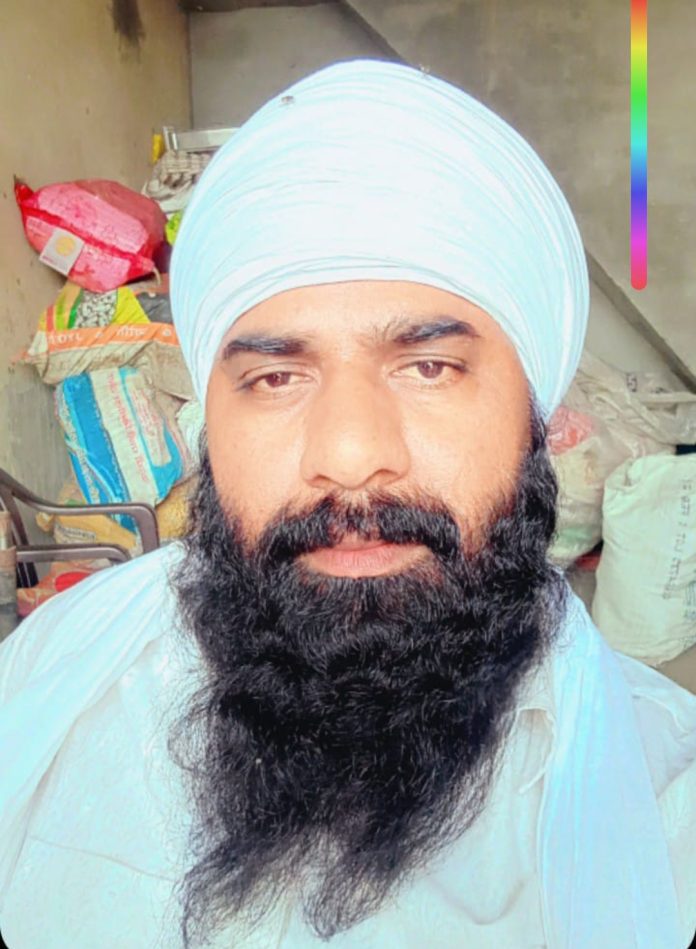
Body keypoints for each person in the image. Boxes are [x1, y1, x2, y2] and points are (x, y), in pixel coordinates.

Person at [1, 60, 695, 949]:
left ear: (534, 413)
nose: (350, 453)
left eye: (428, 367)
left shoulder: (663, 798)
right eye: (276, 377)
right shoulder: (56, 679)